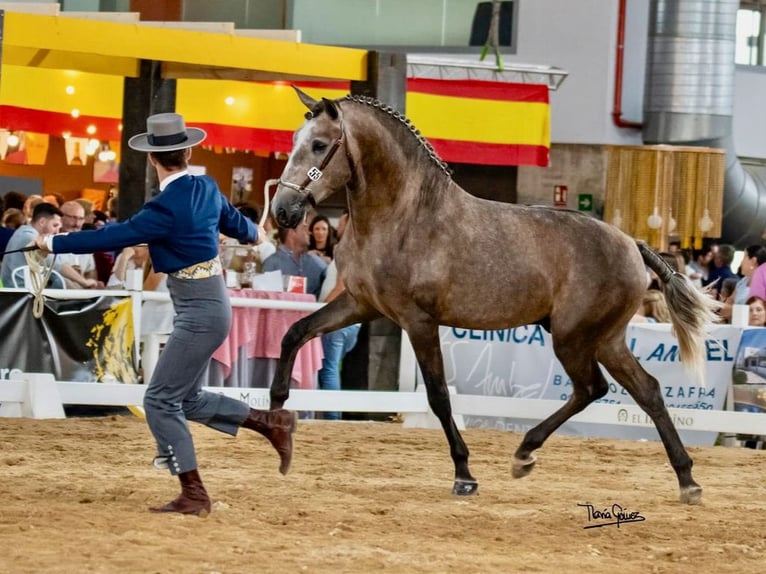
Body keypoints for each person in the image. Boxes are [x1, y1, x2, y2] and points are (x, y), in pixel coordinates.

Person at [35, 112, 296, 517]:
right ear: (189, 150)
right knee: (184, 398)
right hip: (211, 306)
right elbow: (239, 225)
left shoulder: (162, 208)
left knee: (158, 399)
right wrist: (255, 233)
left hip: (199, 311)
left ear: (152, 159)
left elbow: (110, 236)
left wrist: (52, 244)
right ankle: (268, 423)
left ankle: (194, 492)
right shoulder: (207, 188)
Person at [317, 209, 359, 419]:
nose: (338, 227)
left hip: (336, 319)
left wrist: (318, 311)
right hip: (350, 322)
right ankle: (333, 414)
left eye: (342, 223)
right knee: (333, 368)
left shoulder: (346, 248)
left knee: (329, 369)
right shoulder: (360, 248)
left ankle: (332, 418)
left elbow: (340, 287)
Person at [0, 202, 97, 289]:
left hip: (21, 293)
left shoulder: (23, 232)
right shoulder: (29, 238)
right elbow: (58, 265)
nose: (56, 231)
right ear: (42, 222)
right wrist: (84, 282)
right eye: (55, 226)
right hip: (22, 297)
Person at [262, 220, 327, 298]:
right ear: (292, 232)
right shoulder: (272, 264)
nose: (309, 232)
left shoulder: (316, 263)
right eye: (304, 228)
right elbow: (268, 299)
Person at [58, 200, 104, 289]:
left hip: (81, 296)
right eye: (73, 218)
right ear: (61, 217)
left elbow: (91, 273)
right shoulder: (50, 241)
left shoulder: (85, 243)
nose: (77, 223)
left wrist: (93, 285)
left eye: (80, 219)